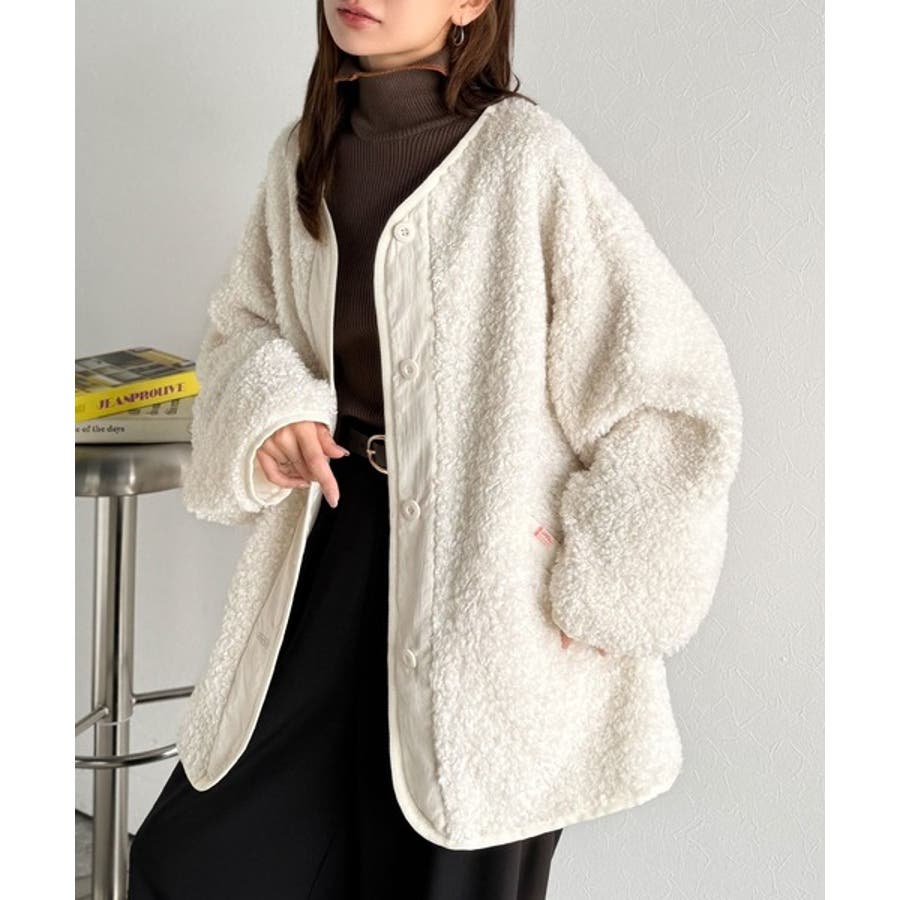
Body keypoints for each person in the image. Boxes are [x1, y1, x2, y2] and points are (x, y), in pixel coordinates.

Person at [128, 0, 743, 897]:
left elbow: (671, 392)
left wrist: (601, 588)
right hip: (334, 552)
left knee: (445, 868)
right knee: (193, 862)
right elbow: (243, 327)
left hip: (487, 591)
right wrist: (275, 413)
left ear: (469, 5)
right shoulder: (302, 157)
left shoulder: (526, 159)